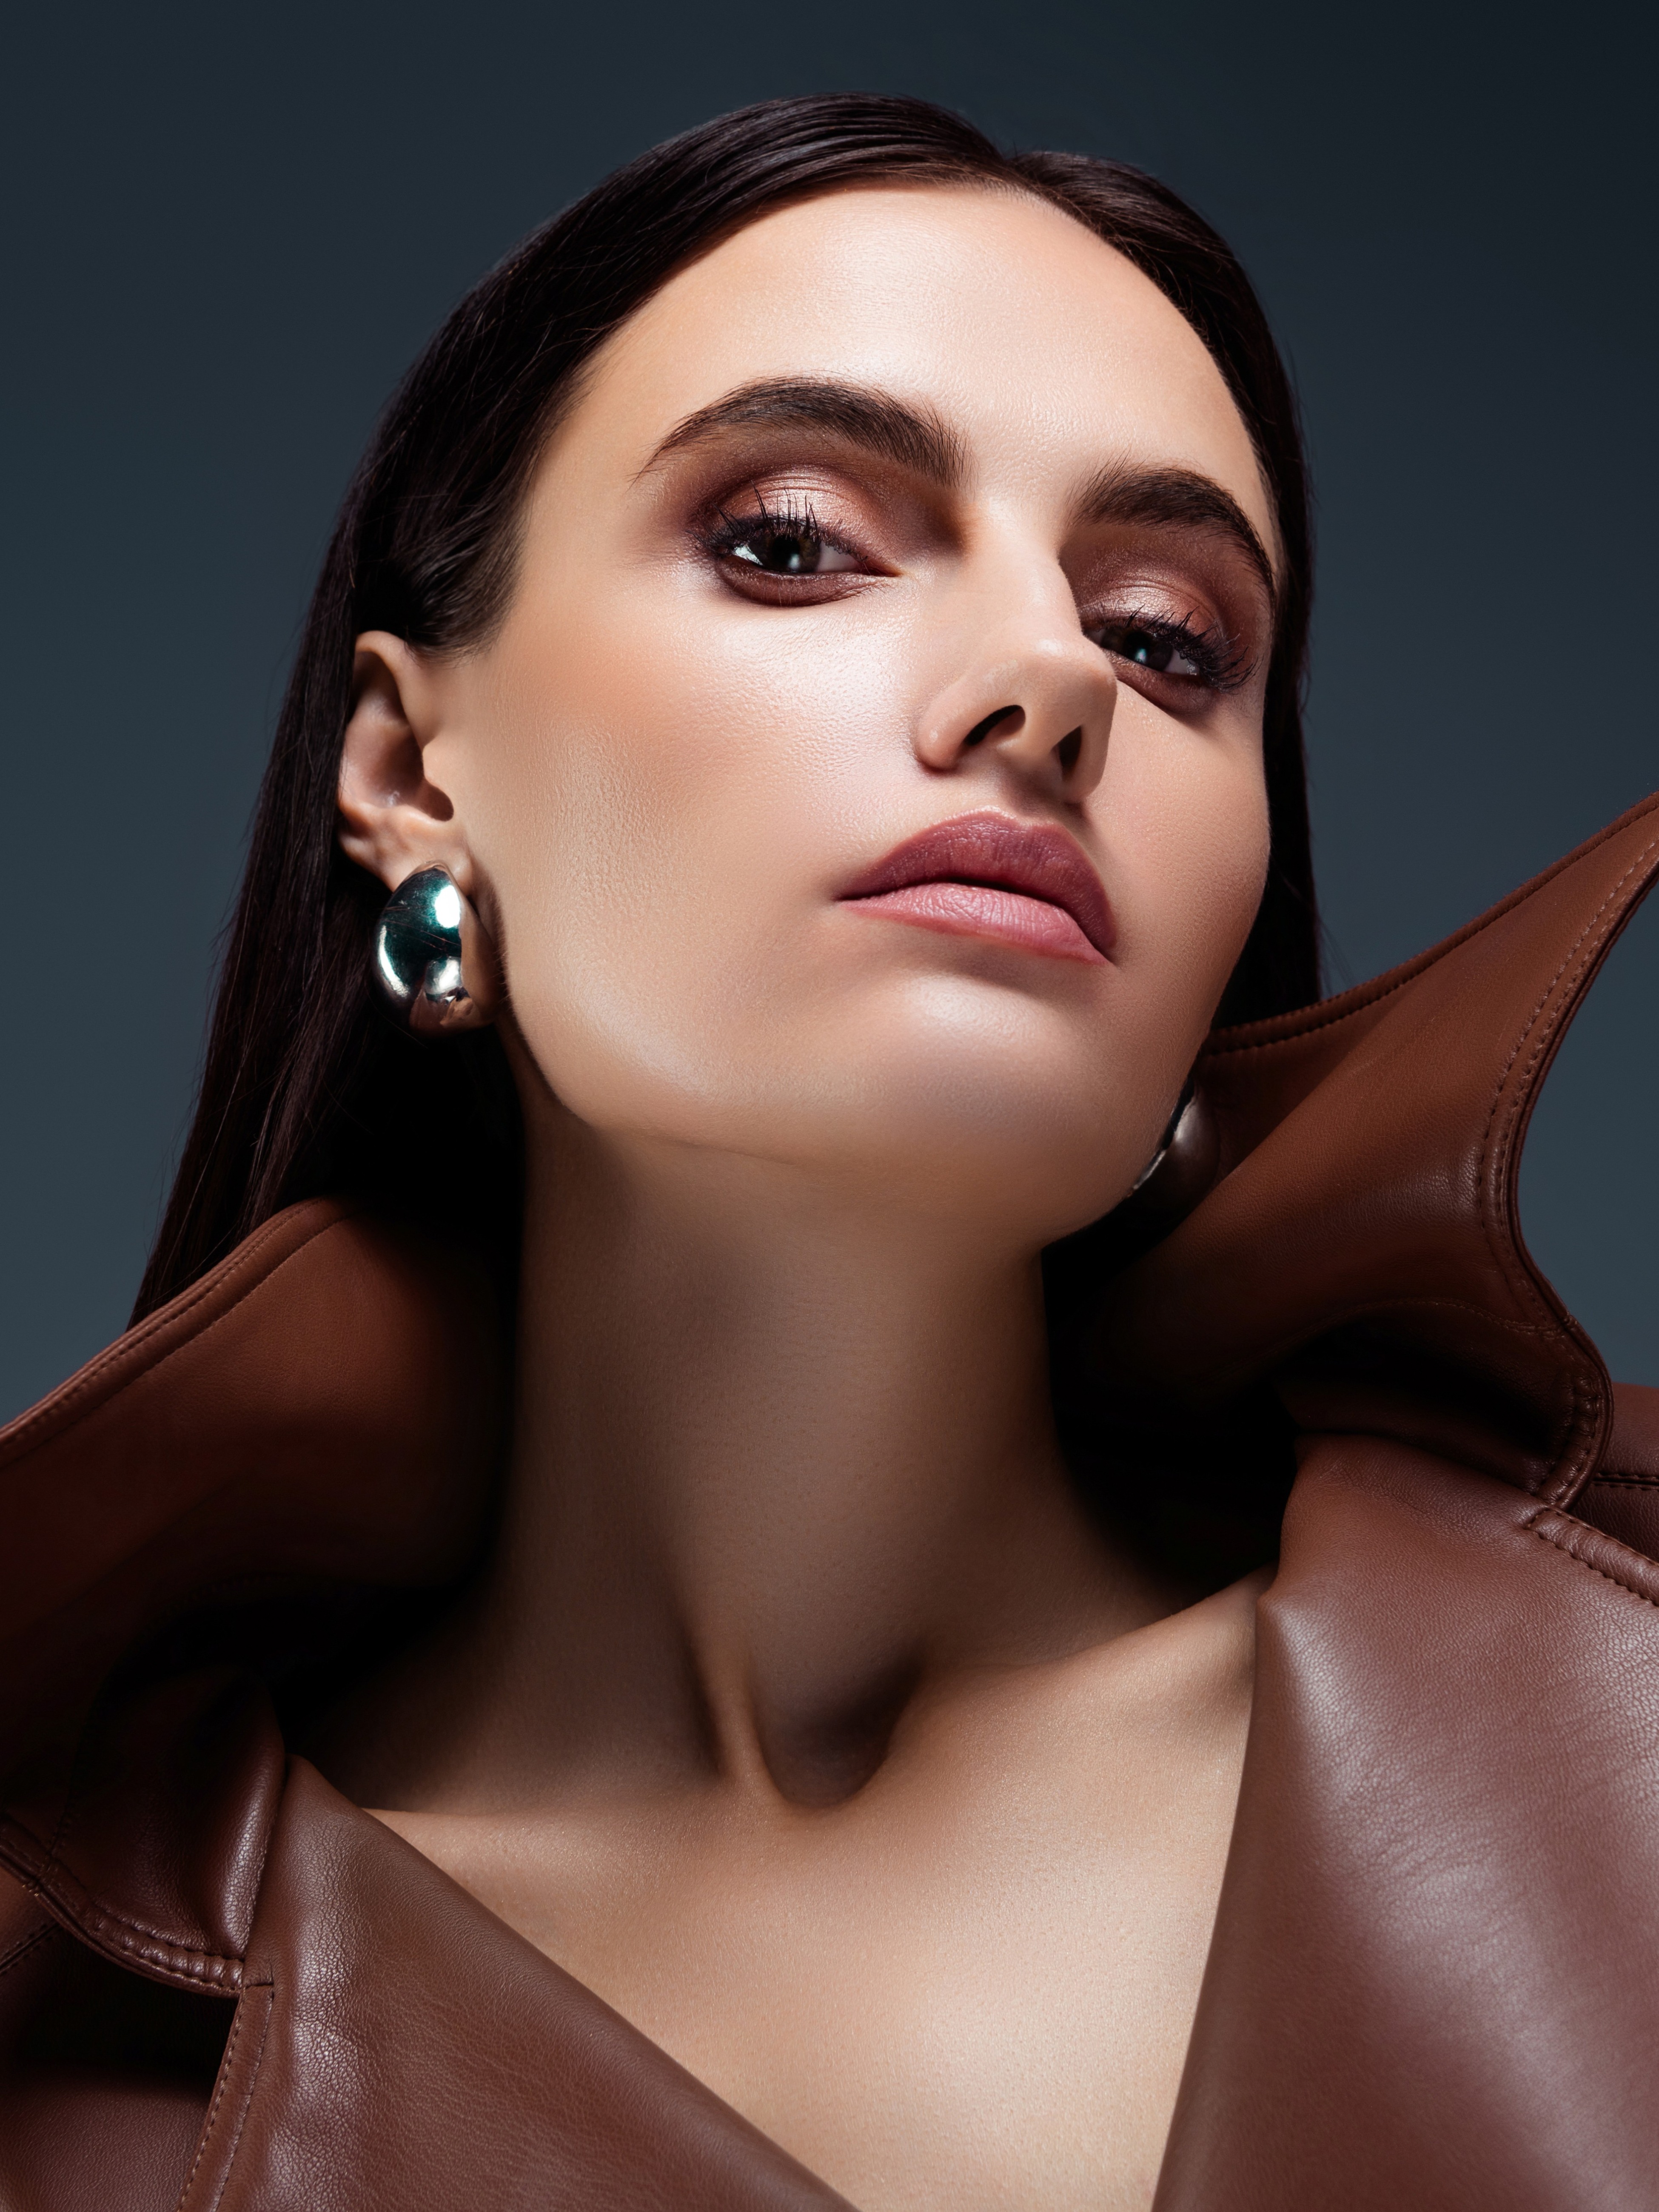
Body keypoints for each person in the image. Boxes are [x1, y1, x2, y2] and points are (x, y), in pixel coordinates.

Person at [3, 94, 1656, 2212]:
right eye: (793, 539)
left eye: (1166, 637)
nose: (1050, 681)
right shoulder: (71, 2070)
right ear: (417, 772)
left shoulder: (1618, 1696)